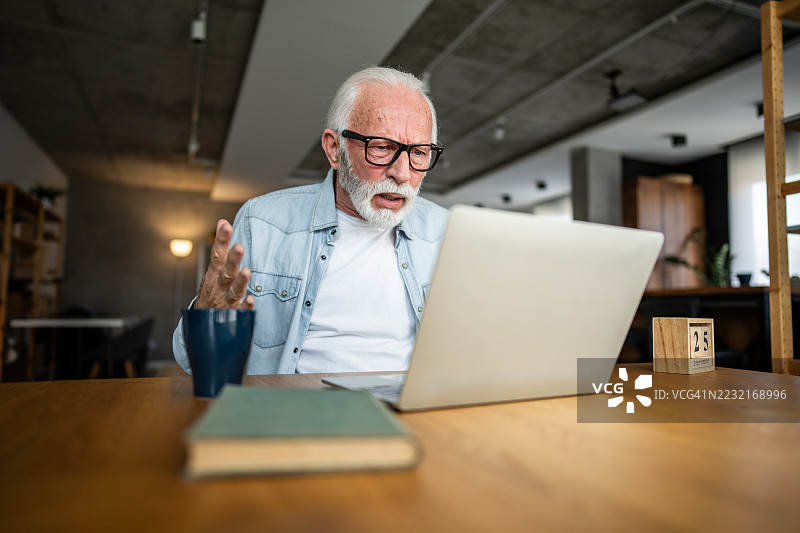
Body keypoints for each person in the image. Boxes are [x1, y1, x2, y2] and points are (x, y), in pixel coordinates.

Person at [173, 66, 449, 374]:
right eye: (383, 148)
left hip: (408, 413)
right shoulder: (261, 223)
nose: (402, 174)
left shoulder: (446, 232)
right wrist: (206, 319)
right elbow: (191, 363)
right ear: (334, 148)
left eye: (420, 153)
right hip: (296, 411)